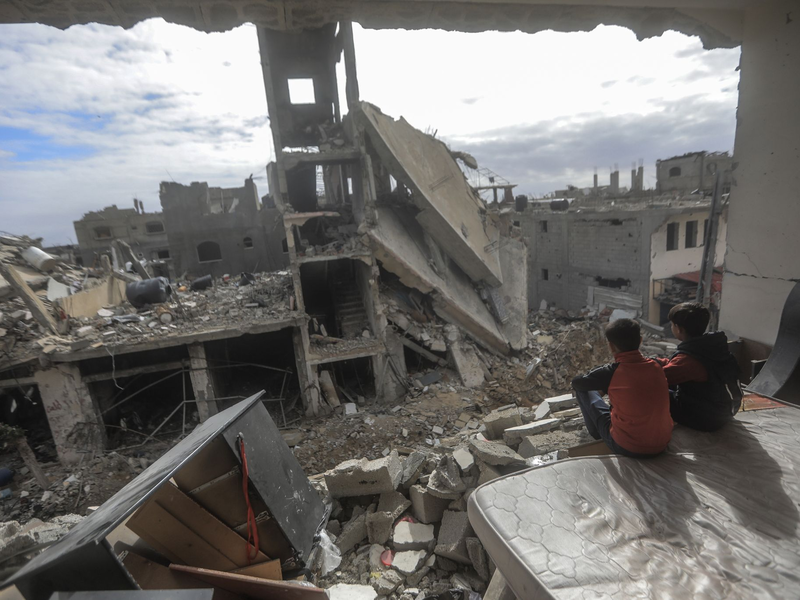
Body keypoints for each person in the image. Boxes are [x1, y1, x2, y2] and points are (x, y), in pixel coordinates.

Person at [572, 318, 672, 457]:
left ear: (611, 346)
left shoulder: (611, 372)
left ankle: (596, 433)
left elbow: (577, 382)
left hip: (627, 447)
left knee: (584, 390)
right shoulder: (656, 365)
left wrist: (602, 380)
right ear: (641, 340)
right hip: (662, 443)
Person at [655, 302, 742, 431]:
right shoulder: (712, 347)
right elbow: (678, 366)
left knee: (650, 389)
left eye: (673, 325)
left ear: (679, 329)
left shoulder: (689, 359)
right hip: (725, 410)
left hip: (707, 419)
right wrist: (659, 362)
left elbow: (657, 377)